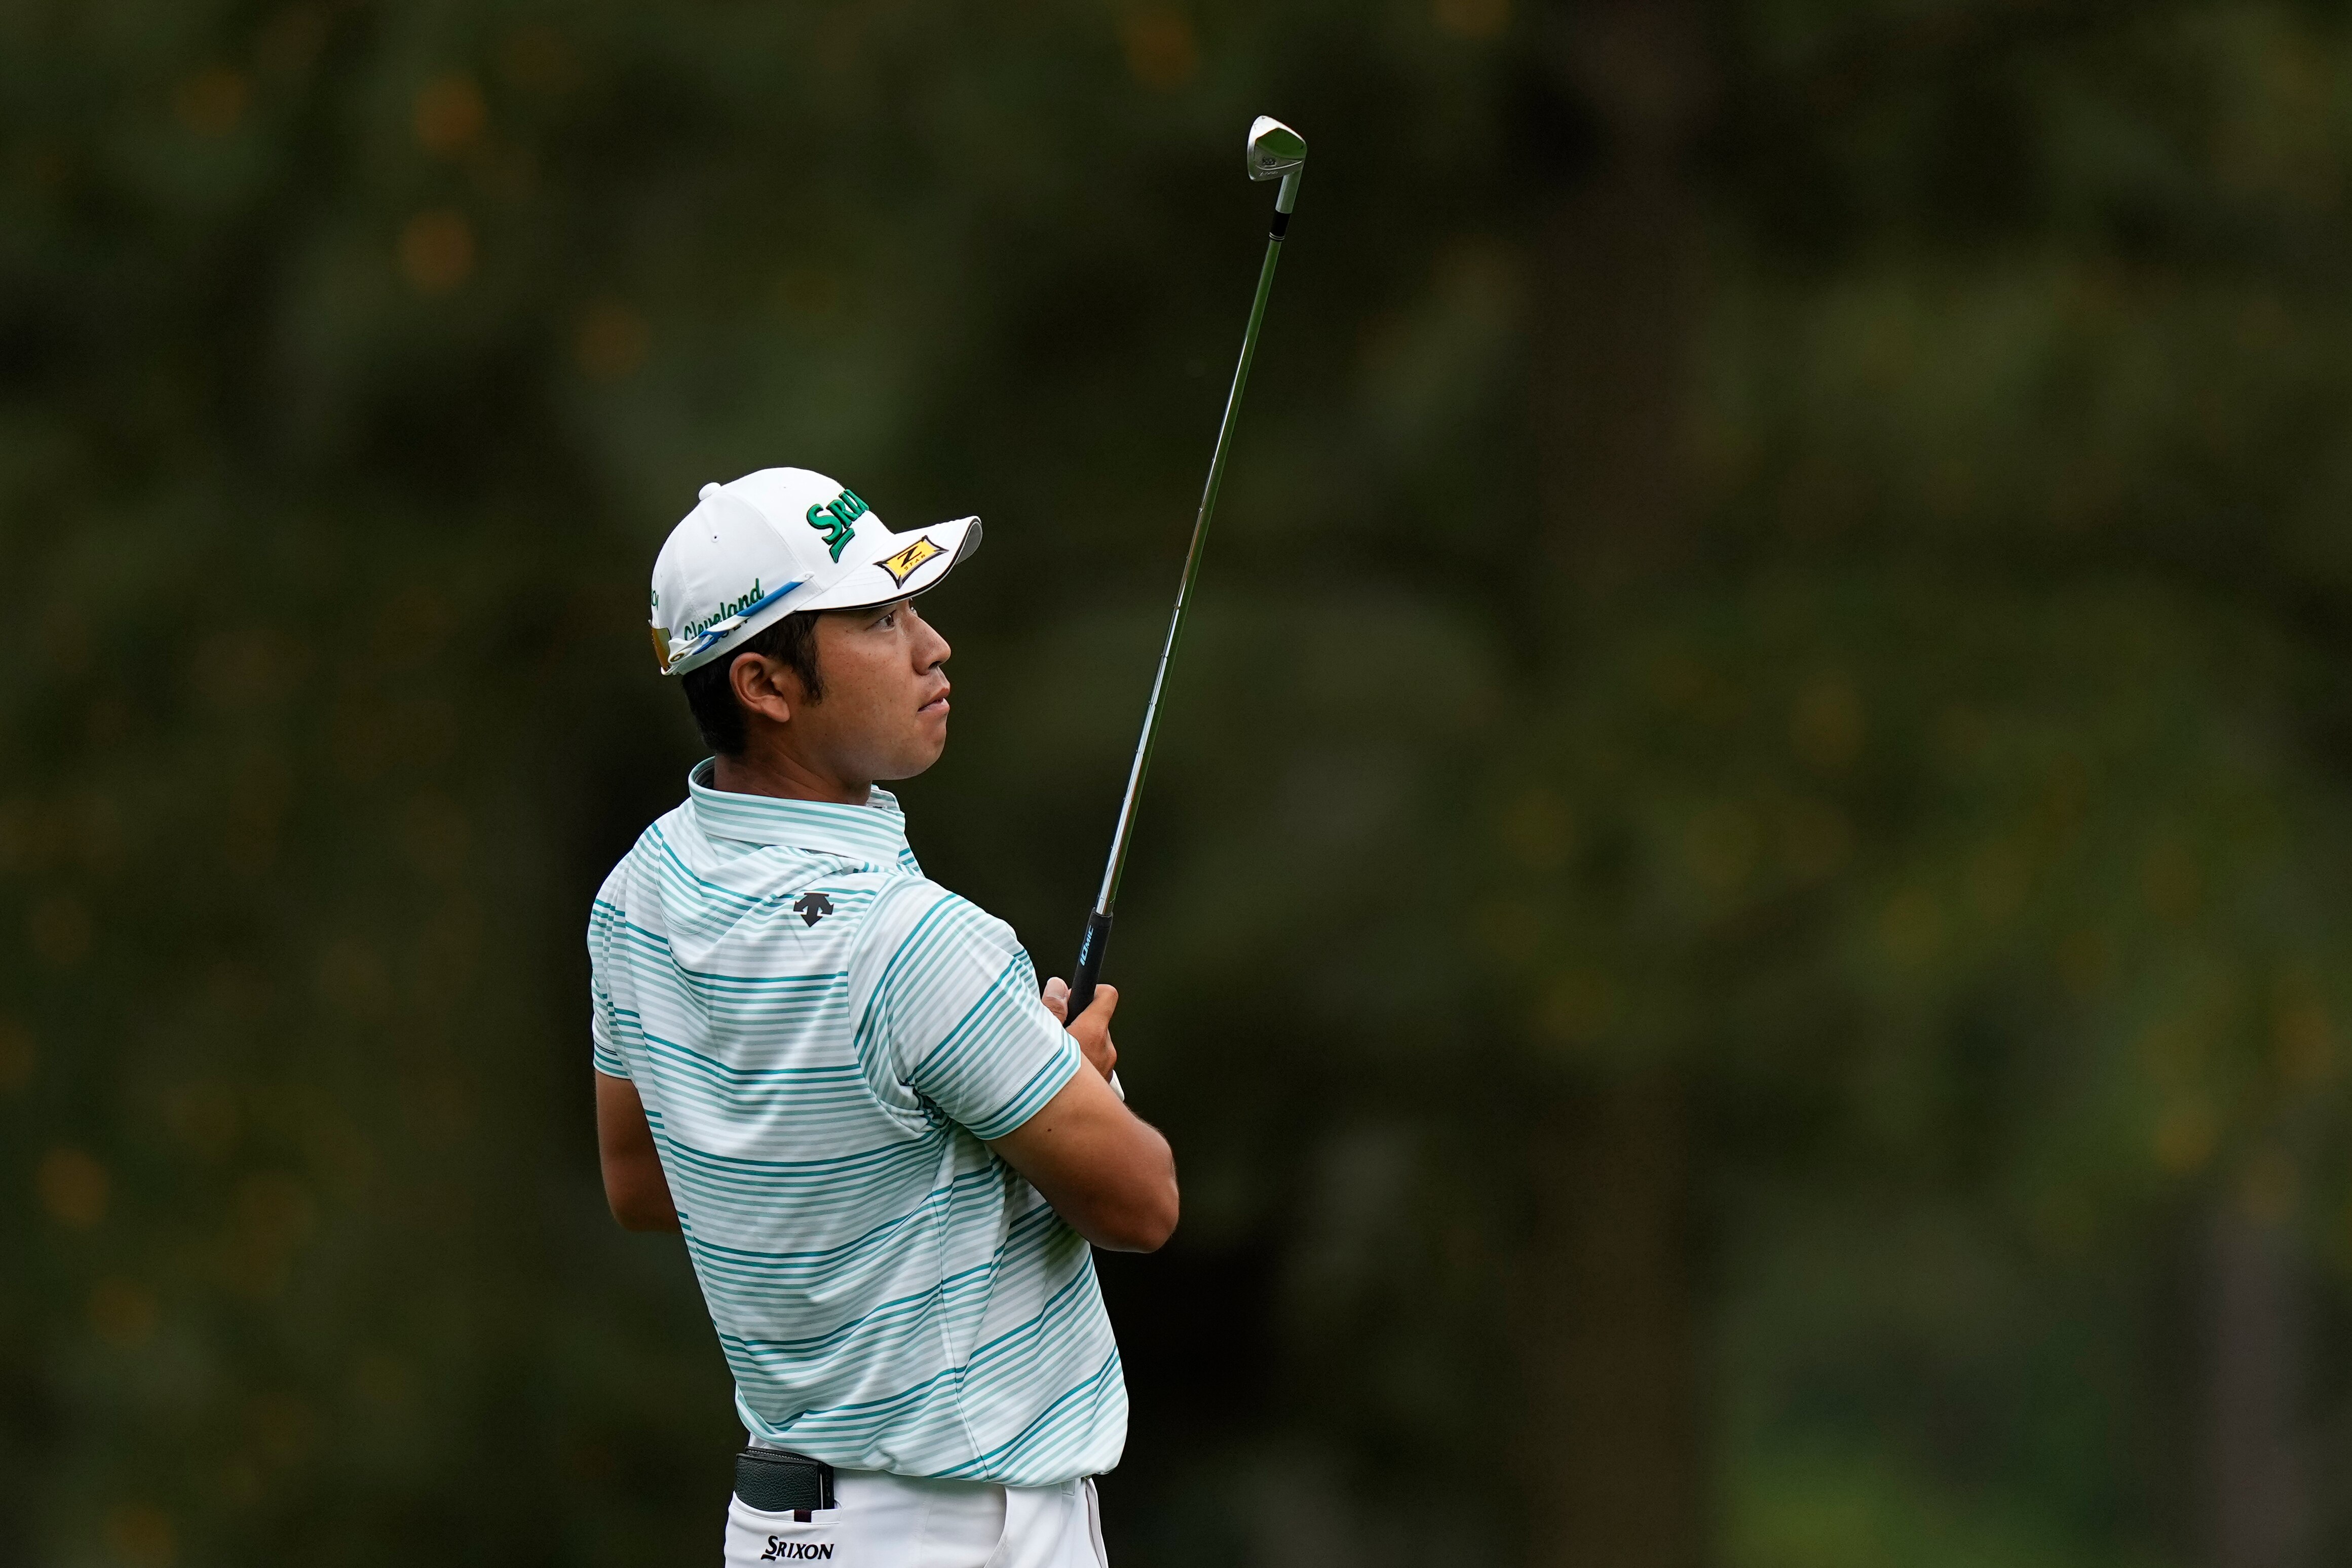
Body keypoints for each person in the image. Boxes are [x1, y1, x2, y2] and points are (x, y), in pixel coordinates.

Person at [587, 468, 1179, 1567]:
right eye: (877, 618)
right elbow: (1140, 1204)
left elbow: (643, 1184)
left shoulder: (637, 894)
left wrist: (931, 1132)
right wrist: (1067, 1086)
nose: (931, 645)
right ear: (764, 684)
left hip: (779, 1535)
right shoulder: (917, 939)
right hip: (966, 1534)